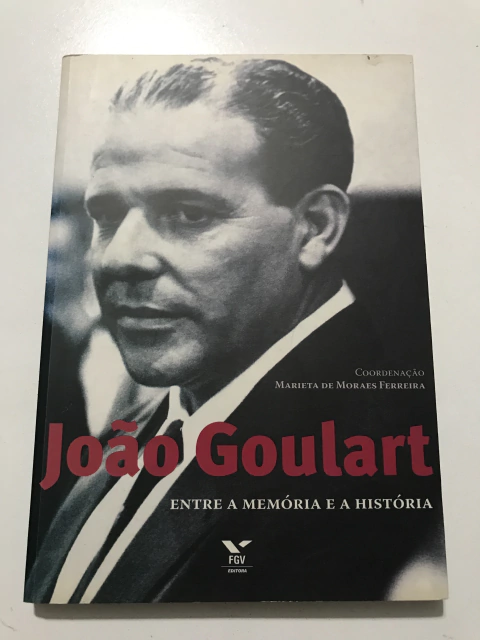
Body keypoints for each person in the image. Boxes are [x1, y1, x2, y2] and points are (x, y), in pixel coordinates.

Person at [25, 57, 444, 603]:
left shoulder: (399, 470)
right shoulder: (133, 437)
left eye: (189, 214)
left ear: (315, 227)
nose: (118, 258)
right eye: (106, 216)